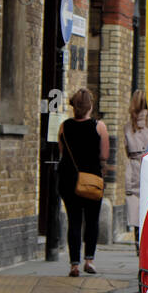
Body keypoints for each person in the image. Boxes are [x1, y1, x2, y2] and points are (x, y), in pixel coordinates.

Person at [58, 87, 110, 277]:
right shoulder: (99, 127)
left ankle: (74, 265)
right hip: (92, 180)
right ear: (90, 106)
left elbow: (62, 152)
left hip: (68, 180)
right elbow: (104, 155)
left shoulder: (64, 126)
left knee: (74, 221)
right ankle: (89, 260)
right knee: (92, 220)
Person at [123, 89, 148, 255]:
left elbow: (127, 150)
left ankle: (138, 243)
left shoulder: (129, 126)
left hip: (134, 167)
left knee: (135, 209)